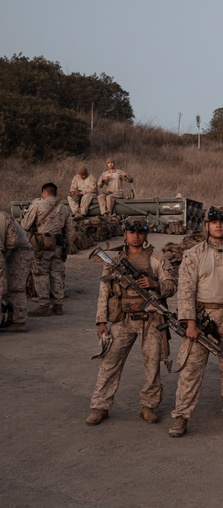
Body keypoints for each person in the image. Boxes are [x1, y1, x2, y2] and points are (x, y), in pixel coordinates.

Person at [169, 206, 223, 438]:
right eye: (213, 221)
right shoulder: (193, 254)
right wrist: (190, 324)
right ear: (206, 225)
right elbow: (185, 290)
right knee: (190, 370)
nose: (218, 225)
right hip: (202, 316)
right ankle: (181, 416)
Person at [85, 217, 176, 426]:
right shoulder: (113, 262)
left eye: (140, 232)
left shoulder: (156, 258)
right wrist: (101, 322)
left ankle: (148, 405)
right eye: (131, 232)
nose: (135, 236)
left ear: (145, 235)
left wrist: (155, 284)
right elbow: (104, 293)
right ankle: (100, 406)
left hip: (151, 319)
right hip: (122, 319)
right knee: (109, 362)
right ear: (125, 234)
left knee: (153, 364)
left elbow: (172, 285)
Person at [20, 182, 74, 316]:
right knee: (56, 273)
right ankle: (58, 305)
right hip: (58, 245)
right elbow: (70, 231)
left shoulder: (38, 206)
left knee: (40, 273)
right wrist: (68, 245)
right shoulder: (64, 208)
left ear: (44, 192)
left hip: (41, 245)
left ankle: (44, 305)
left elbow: (25, 225)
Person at [0, 209, 34, 333]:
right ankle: (12, 318)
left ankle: (18, 322)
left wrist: (4, 255)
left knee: (16, 288)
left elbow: (12, 242)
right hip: (11, 253)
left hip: (19, 254)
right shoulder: (4, 216)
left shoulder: (3, 217)